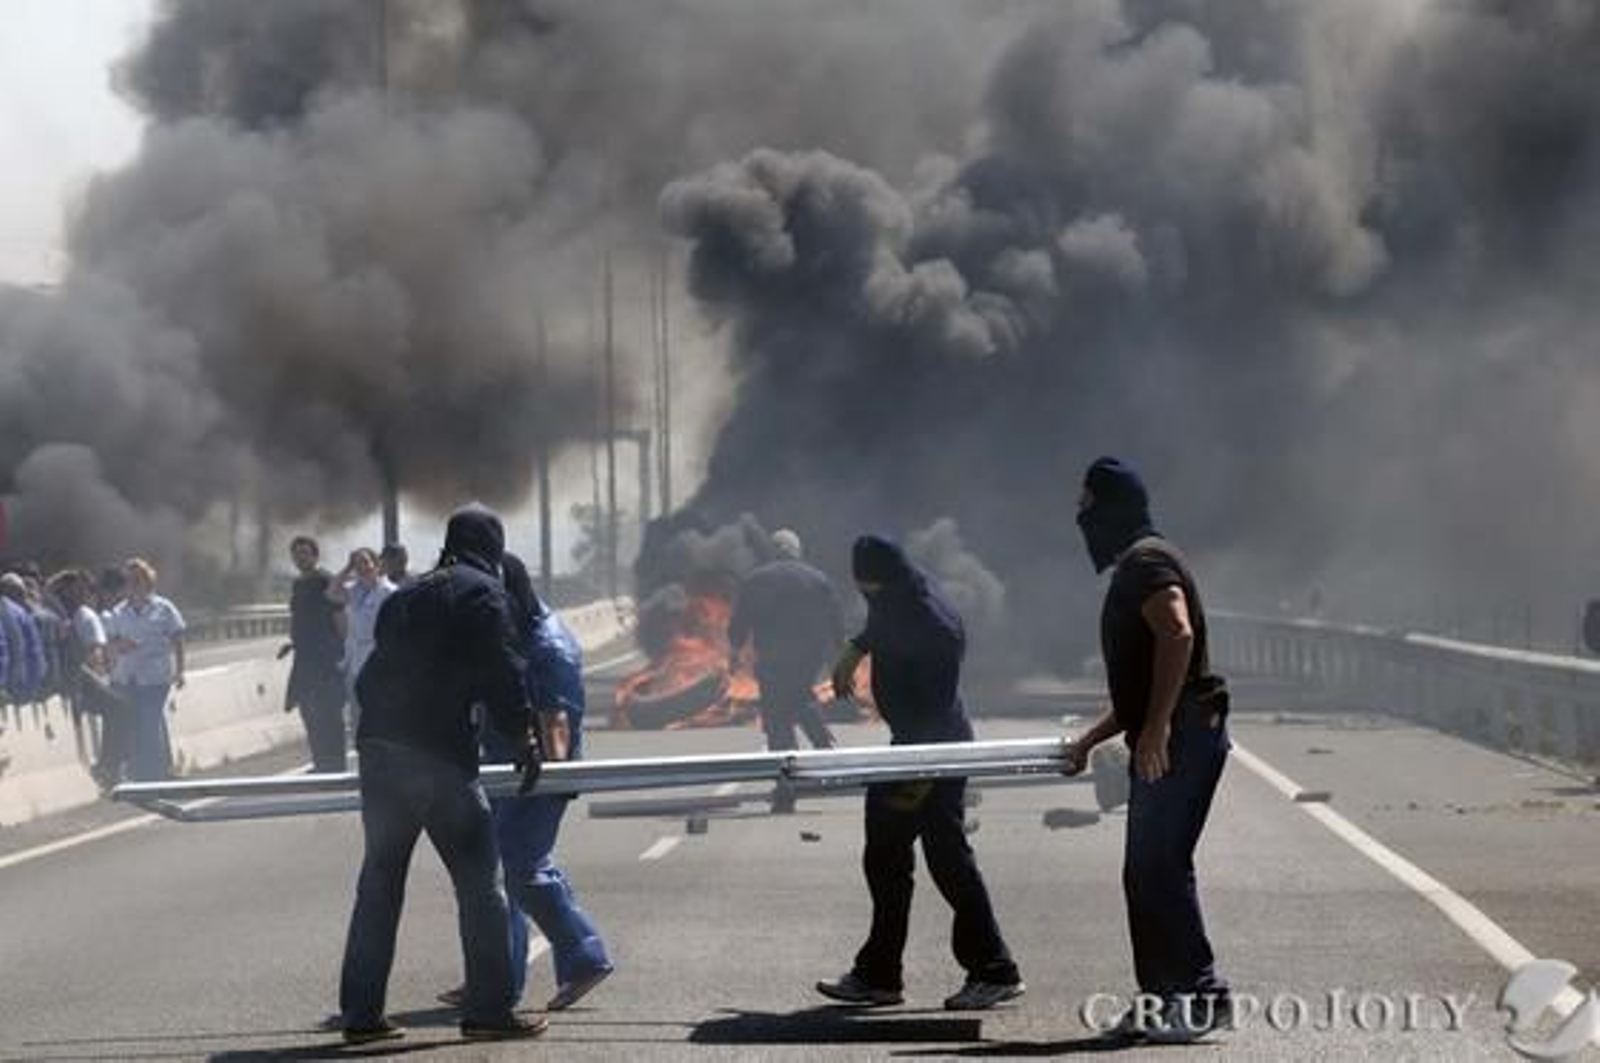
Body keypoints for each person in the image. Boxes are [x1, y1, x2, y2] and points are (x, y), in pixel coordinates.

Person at [338, 505, 546, 1045]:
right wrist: (523, 734)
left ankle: (361, 1017)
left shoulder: (405, 595)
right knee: (482, 886)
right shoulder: (483, 592)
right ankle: (489, 1010)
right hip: (438, 757)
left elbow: (369, 678)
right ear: (492, 548)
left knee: (379, 883)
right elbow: (504, 668)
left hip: (380, 750)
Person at [1062, 457, 1231, 1044]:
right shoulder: (1138, 561)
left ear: (1110, 507)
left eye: (1086, 504)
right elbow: (1141, 686)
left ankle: (1203, 997)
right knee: (1145, 871)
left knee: (1158, 866)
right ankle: (1160, 999)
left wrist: (1157, 728)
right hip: (1173, 730)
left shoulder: (1147, 561)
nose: (1079, 516)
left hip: (1182, 735)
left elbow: (1177, 633)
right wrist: (1091, 739)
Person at [816, 535, 1024, 1011]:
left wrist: (920, 778)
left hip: (936, 749)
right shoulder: (897, 593)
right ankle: (880, 974)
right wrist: (856, 647)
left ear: (886, 581)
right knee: (887, 855)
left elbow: (936, 712)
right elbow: (883, 624)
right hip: (911, 746)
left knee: (947, 859)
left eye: (870, 589)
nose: (869, 597)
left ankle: (993, 969)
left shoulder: (935, 626)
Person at [440, 552, 613, 1013]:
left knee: (518, 867)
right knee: (499, 872)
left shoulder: (547, 646)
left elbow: (556, 725)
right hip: (506, 768)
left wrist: (547, 782)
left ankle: (583, 957)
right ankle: (497, 979)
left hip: (537, 774)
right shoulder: (514, 633)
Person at [728, 529, 842, 812]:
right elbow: (835, 619)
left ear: (774, 550)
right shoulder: (817, 579)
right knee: (800, 698)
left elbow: (739, 622)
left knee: (778, 723)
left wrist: (736, 646)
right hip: (807, 661)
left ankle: (787, 787)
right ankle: (824, 750)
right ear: (797, 550)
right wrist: (838, 652)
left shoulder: (756, 580)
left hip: (772, 662)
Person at [105, 559, 185, 782]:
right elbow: (110, 643)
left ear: (149, 582)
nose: (134, 584)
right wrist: (120, 647)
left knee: (149, 723)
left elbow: (177, 638)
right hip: (127, 676)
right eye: (130, 580)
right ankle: (140, 771)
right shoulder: (118, 612)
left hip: (156, 676)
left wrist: (180, 670)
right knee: (133, 724)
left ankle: (154, 773)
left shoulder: (164, 607)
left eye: (139, 579)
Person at [278, 536, 348, 773]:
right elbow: (298, 618)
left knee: (329, 711)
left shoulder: (326, 580)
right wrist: (291, 642)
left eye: (305, 553)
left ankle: (336, 764)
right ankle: (320, 762)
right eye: (296, 554)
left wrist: (342, 650)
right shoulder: (298, 584)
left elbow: (339, 616)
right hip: (304, 658)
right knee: (308, 710)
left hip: (327, 658)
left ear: (315, 555)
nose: (300, 558)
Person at [325, 548, 394, 734]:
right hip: (355, 661)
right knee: (357, 713)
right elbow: (330, 593)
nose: (361, 567)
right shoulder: (351, 590)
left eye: (365, 562)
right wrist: (347, 568)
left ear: (376, 564)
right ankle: (363, 752)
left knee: (380, 712)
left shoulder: (389, 592)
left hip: (380, 660)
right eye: (356, 563)